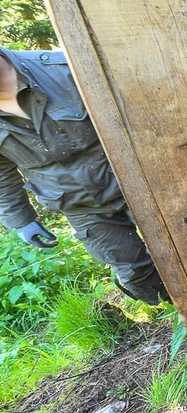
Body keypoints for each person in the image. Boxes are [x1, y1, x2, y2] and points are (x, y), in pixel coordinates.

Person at [0, 46, 169, 305]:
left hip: (135, 182)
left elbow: (139, 113)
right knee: (136, 275)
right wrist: (21, 221)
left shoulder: (62, 69)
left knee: (186, 249)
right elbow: (2, 175)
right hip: (80, 207)